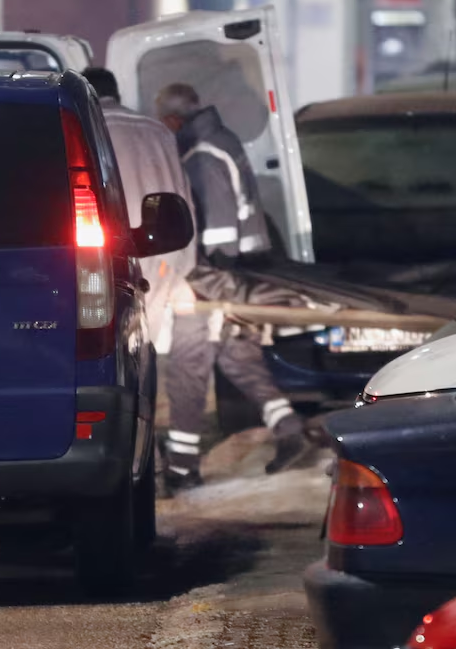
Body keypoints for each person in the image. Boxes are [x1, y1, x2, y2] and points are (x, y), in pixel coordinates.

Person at [154, 82, 308, 494]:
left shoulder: (202, 156)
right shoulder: (221, 140)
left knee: (188, 365)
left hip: (215, 278)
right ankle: (290, 429)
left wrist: (205, 282)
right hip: (238, 274)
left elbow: (220, 231)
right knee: (238, 356)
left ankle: (183, 467)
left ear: (173, 120)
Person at [83, 68, 195, 350]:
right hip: (162, 250)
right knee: (145, 346)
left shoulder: (86, 126)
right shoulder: (158, 131)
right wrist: (185, 267)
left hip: (107, 254)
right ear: (116, 94)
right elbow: (183, 197)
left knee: (110, 348)